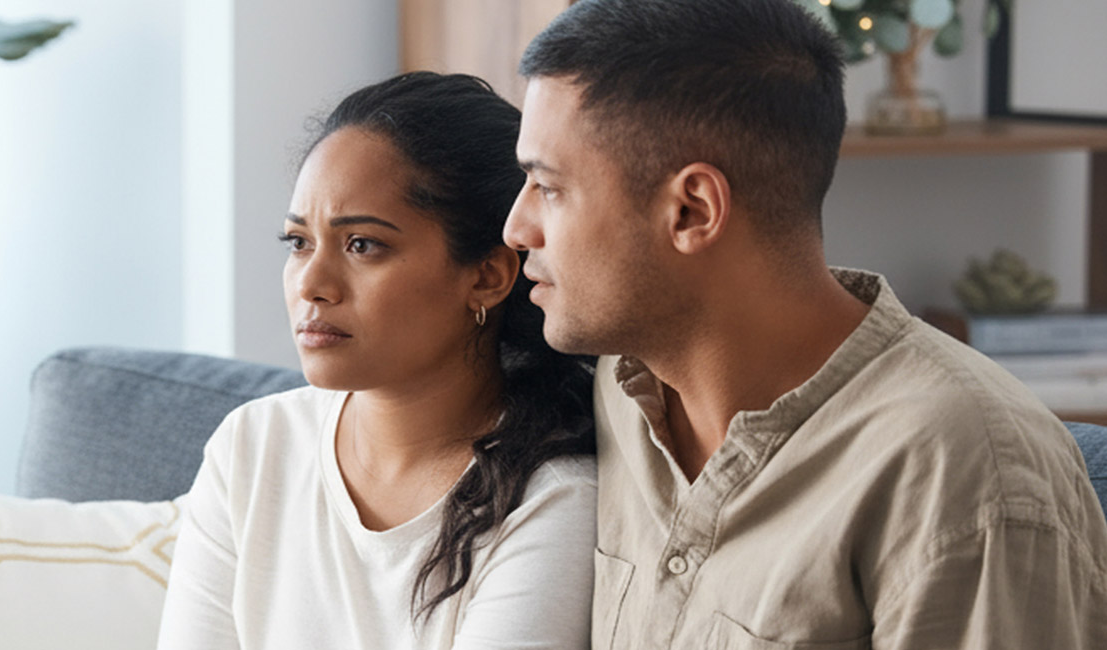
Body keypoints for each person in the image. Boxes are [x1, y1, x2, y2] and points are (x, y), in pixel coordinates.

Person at [503, 0, 1107, 647]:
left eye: (550, 188)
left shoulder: (963, 474)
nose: (516, 228)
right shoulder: (621, 391)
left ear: (691, 210)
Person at [157, 72, 597, 650]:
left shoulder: (553, 499)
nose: (311, 284)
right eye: (299, 243)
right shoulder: (254, 446)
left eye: (362, 245)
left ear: (487, 276)